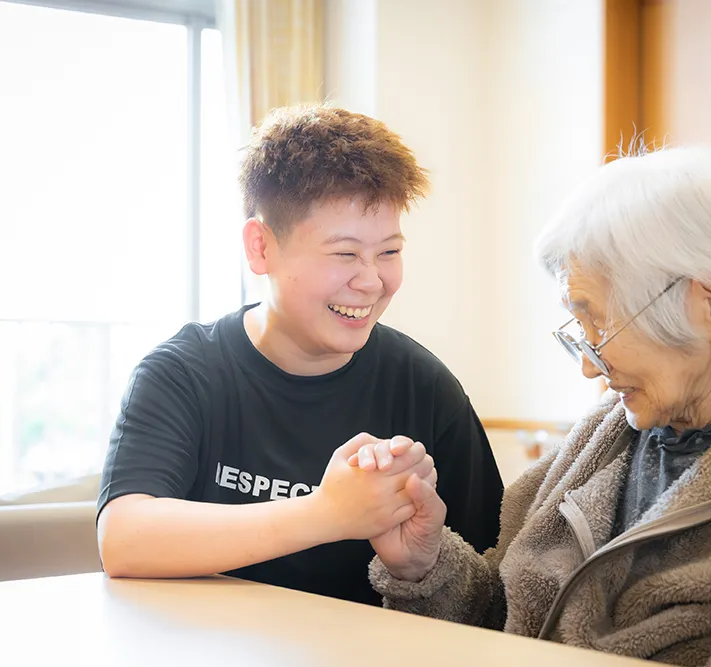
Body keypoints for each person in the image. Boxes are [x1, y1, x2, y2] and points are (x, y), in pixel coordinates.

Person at [359, 146, 711, 665]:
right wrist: (424, 563)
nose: (589, 366)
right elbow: (505, 618)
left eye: (601, 324)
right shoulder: (601, 435)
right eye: (578, 330)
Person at [96, 104, 504, 606]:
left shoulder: (425, 388)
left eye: (389, 252)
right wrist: (328, 513)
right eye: (345, 253)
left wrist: (418, 565)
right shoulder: (184, 374)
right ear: (260, 248)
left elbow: (495, 587)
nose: (371, 281)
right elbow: (124, 539)